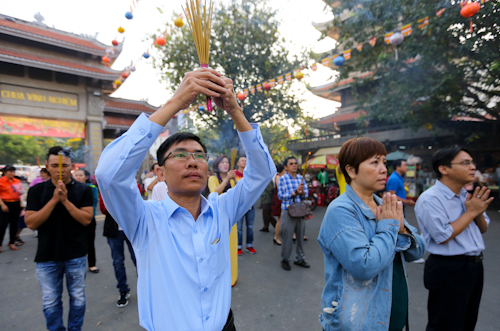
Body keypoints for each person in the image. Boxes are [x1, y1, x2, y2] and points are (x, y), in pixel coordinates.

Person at [96, 68, 275, 331]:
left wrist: (235, 111)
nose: (193, 161)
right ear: (160, 172)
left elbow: (262, 172)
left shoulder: (221, 209)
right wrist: (177, 102)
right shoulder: (144, 219)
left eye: (200, 155)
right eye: (180, 155)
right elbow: (108, 175)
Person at [318, 137, 426, 331]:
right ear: (351, 170)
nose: (383, 169)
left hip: (392, 313)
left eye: (384, 162)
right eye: (375, 162)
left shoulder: (384, 203)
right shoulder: (341, 210)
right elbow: (364, 265)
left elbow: (418, 251)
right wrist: (388, 226)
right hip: (359, 320)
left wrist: (402, 230)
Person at [415, 146, 493, 331]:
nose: (472, 167)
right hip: (448, 269)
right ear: (444, 169)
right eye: (466, 163)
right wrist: (472, 211)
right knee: (445, 324)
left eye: (472, 162)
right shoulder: (430, 199)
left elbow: (483, 228)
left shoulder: (466, 196)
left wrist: (477, 212)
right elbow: (443, 236)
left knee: (467, 322)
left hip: (474, 266)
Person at [25, 147, 94, 331]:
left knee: (78, 297)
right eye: (55, 165)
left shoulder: (84, 190)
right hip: (47, 256)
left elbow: (86, 219)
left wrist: (66, 201)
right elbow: (31, 223)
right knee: (51, 301)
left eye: (65, 166)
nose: (60, 170)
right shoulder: (37, 191)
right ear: (47, 166)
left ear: (72, 166)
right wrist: (54, 200)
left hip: (76, 254)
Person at [99, 191, 137, 308]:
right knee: (118, 262)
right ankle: (123, 290)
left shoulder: (129, 184)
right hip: (113, 229)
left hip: (131, 228)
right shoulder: (105, 188)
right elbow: (104, 209)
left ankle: (146, 288)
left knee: (138, 260)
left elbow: (136, 204)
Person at [278, 157, 310, 271]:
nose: (294, 165)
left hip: (300, 210)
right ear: (286, 167)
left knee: (300, 236)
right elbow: (280, 195)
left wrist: (301, 192)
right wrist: (294, 193)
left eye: (295, 163)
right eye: (291, 164)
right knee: (287, 237)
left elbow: (306, 193)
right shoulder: (282, 179)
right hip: (288, 211)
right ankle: (285, 260)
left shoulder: (301, 178)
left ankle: (299, 259)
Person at [74, 169, 100, 273]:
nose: (78, 177)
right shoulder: (71, 188)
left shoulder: (92, 188)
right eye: (76, 175)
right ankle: (76, 264)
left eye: (80, 175)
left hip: (89, 218)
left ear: (86, 177)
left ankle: (92, 264)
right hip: (75, 219)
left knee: (90, 242)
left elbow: (93, 202)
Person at [234, 156, 256, 254]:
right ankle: (238, 246)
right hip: (238, 205)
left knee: (250, 226)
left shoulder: (251, 175)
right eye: (242, 160)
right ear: (238, 163)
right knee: (239, 228)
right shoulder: (233, 174)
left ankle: (249, 245)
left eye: (246, 161)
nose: (244, 162)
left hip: (250, 204)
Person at [0, 165, 24, 252]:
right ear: (5, 173)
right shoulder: (1, 181)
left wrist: (22, 203)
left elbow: (20, 193)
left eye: (13, 171)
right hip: (5, 203)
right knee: (3, 224)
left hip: (16, 203)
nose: (12, 173)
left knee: (14, 224)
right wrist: (2, 205)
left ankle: (12, 242)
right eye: (10, 172)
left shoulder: (17, 181)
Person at [270, 164, 285, 245]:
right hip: (279, 199)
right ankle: (276, 237)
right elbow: (280, 188)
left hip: (283, 199)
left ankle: (292, 235)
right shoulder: (278, 177)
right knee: (280, 219)